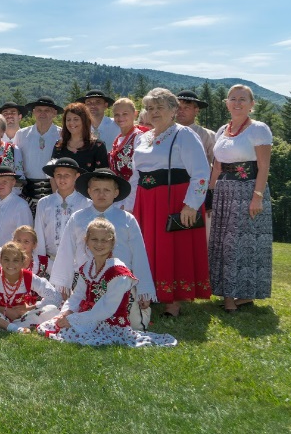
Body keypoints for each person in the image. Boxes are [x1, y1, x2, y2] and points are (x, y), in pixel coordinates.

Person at [130, 87, 211, 317]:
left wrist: (191, 205)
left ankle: (173, 300)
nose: (154, 112)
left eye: (159, 107)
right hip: (146, 201)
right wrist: (131, 203)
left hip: (173, 199)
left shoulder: (184, 135)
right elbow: (136, 174)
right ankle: (152, 292)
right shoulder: (143, 137)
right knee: (147, 247)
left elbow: (201, 172)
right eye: (150, 108)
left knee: (171, 248)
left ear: (174, 110)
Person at [38, 219, 177, 347]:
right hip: (88, 316)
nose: (99, 244)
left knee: (76, 334)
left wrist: (74, 320)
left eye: (105, 240)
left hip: (111, 322)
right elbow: (78, 295)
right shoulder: (88, 267)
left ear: (112, 243)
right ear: (86, 241)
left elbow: (107, 308)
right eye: (94, 239)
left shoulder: (118, 272)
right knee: (52, 324)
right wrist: (66, 312)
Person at [51, 168, 155, 329]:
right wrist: (63, 284)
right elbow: (66, 251)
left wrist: (144, 291)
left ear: (116, 192)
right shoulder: (78, 218)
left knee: (133, 325)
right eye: (97, 190)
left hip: (119, 283)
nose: (101, 194)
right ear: (89, 192)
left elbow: (139, 254)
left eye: (107, 190)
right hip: (87, 283)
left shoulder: (126, 219)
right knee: (75, 319)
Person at [209, 84, 273, 312]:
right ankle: (229, 292)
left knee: (241, 244)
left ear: (251, 104)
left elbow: (264, 167)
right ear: (226, 102)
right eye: (232, 98)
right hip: (224, 193)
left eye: (242, 99)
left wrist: (257, 197)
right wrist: (210, 193)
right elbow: (217, 166)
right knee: (223, 243)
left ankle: (237, 296)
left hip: (247, 191)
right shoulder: (221, 131)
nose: (237, 102)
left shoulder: (259, 129)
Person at [0, 242, 59, 332]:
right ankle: (14, 328)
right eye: (6, 259)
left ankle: (2, 326)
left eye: (15, 260)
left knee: (52, 310)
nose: (10, 264)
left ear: (22, 262)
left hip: (21, 317)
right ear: (0, 260)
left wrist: (28, 308)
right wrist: (5, 310)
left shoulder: (29, 277)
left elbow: (55, 297)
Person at [33, 158, 90, 261]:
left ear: (76, 176)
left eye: (67, 175)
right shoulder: (44, 203)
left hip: (78, 262)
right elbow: (39, 234)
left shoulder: (86, 203)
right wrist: (41, 261)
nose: (62, 179)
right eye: (58, 175)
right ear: (54, 176)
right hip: (51, 261)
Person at [14, 97, 63, 212]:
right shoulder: (21, 134)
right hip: (27, 192)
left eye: (47, 110)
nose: (42, 113)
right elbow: (16, 163)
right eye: (39, 110)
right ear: (34, 112)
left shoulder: (62, 135)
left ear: (54, 113)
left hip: (54, 191)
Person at [108, 97, 149, 211]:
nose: (120, 118)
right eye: (117, 114)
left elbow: (138, 172)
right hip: (119, 194)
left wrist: (128, 204)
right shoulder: (118, 139)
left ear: (135, 114)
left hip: (134, 196)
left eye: (125, 113)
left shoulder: (140, 138)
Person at [51, 102, 109, 174]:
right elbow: (53, 175)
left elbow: (102, 176)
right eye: (68, 119)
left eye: (76, 119)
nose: (71, 123)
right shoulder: (59, 146)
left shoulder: (97, 146)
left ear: (84, 121)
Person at [176, 90, 217, 167]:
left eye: (186, 108)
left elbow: (216, 164)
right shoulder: (167, 133)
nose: (181, 111)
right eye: (178, 107)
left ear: (196, 110)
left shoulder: (207, 135)